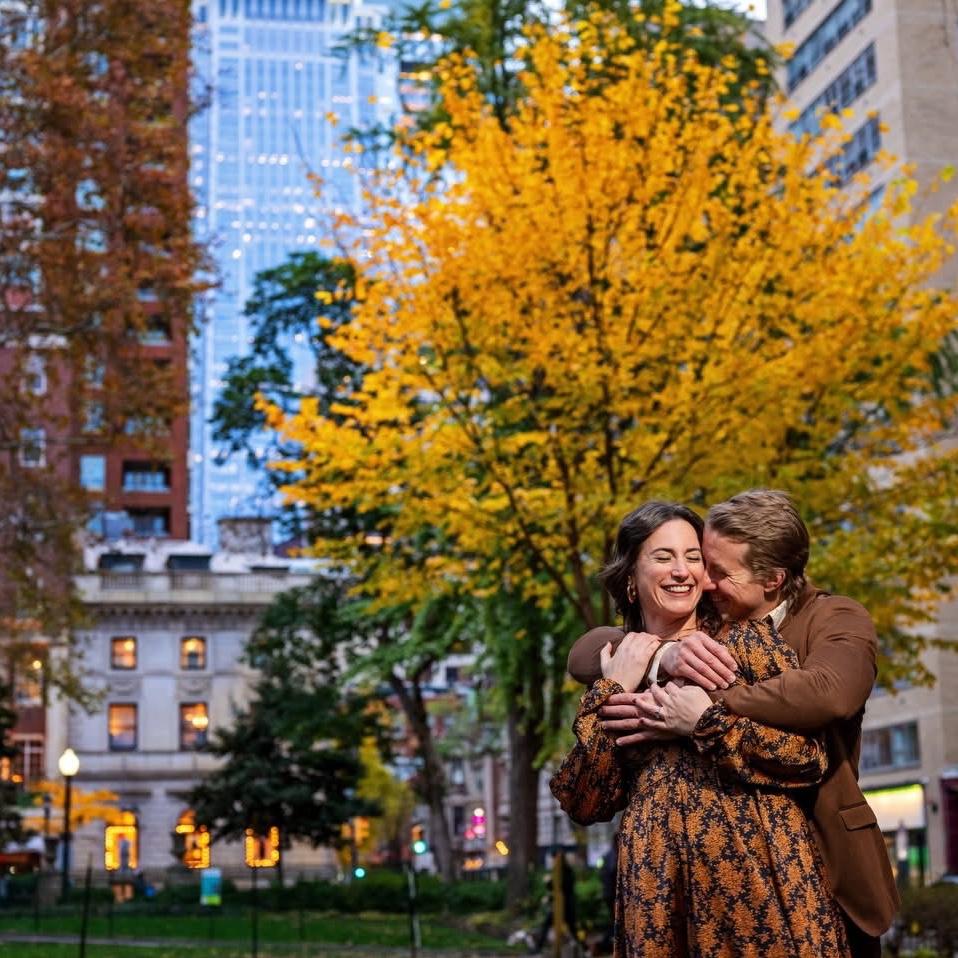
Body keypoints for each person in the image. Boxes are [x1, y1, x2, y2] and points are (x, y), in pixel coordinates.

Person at [566, 489, 898, 958]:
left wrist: (697, 715)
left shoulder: (797, 627)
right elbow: (584, 792)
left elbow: (824, 711)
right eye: (666, 557)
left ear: (773, 579)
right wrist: (651, 663)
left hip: (773, 874)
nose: (700, 579)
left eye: (704, 564)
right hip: (658, 892)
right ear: (631, 579)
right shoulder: (632, 660)